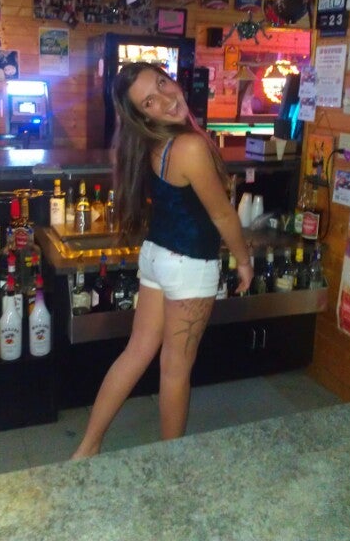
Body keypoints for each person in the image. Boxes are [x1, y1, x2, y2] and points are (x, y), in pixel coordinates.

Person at [72, 62, 253, 459]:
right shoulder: (190, 145)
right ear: (143, 115)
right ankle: (171, 465)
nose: (167, 99)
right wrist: (244, 260)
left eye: (162, 83)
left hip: (156, 256)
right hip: (189, 265)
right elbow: (223, 214)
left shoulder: (152, 143)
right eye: (150, 101)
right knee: (175, 369)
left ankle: (86, 447)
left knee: (136, 352)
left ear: (172, 78)